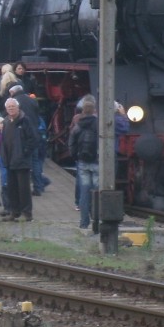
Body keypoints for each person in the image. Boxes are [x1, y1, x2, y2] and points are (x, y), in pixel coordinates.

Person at [0, 96, 37, 221]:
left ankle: (27, 213)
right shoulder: (6, 121)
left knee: (24, 189)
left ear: (18, 107)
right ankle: (14, 212)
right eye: (8, 107)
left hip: (22, 161)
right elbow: (3, 140)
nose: (11, 109)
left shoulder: (25, 120)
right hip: (9, 160)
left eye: (13, 106)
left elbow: (33, 139)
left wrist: (24, 152)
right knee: (12, 188)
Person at [69, 96, 100, 232]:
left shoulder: (78, 124)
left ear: (83, 110)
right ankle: (97, 221)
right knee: (97, 192)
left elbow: (71, 142)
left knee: (84, 192)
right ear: (94, 110)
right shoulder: (99, 124)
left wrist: (75, 156)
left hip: (82, 161)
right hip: (97, 161)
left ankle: (83, 223)